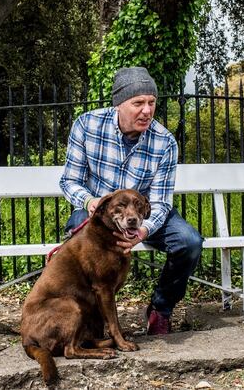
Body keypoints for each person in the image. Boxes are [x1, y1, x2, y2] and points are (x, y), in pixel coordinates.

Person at [59, 66, 203, 335]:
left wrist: (143, 231)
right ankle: (88, 318)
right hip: (100, 216)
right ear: (119, 105)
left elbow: (160, 202)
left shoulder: (165, 142)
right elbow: (69, 181)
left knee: (189, 242)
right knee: (75, 243)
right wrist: (90, 201)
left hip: (144, 215)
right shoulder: (87, 125)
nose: (147, 111)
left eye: (152, 103)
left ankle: (160, 310)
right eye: (138, 103)